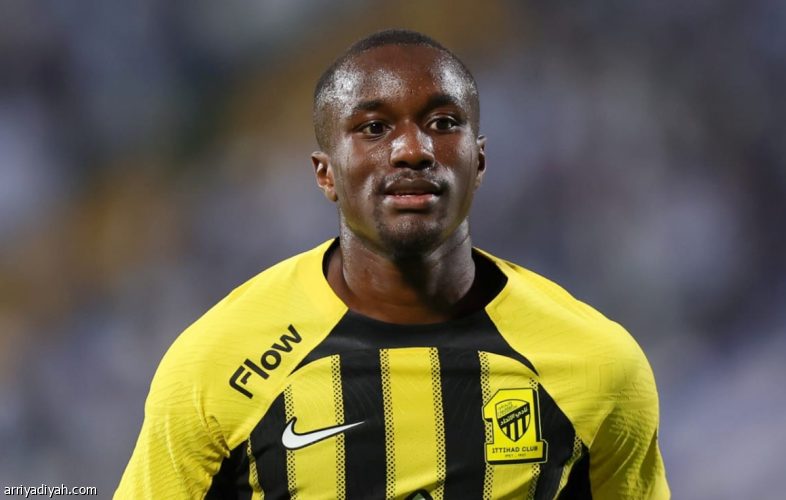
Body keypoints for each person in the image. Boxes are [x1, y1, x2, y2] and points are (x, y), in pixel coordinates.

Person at [115, 29, 669, 500]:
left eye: (443, 123)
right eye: (374, 128)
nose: (413, 149)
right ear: (326, 174)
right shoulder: (217, 367)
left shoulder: (597, 365)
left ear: (478, 161)